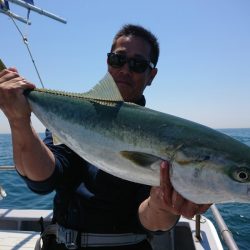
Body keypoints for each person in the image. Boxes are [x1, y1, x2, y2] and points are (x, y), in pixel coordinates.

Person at [0, 24, 211, 250]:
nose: (125, 70)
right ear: (108, 62)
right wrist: (18, 121)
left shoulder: (160, 135)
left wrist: (163, 205)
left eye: (138, 64)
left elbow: (151, 221)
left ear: (151, 75)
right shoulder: (74, 115)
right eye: (117, 60)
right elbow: (44, 179)